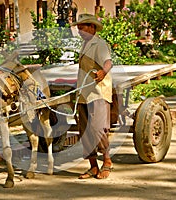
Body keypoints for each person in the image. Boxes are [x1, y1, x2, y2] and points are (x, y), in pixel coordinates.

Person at [71, 13, 113, 179]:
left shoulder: (99, 44)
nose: (80, 30)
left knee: (97, 129)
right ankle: (93, 166)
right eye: (78, 28)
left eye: (83, 27)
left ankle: (107, 161)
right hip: (84, 94)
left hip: (98, 93)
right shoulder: (85, 44)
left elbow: (108, 62)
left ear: (92, 27)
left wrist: (103, 71)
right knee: (85, 131)